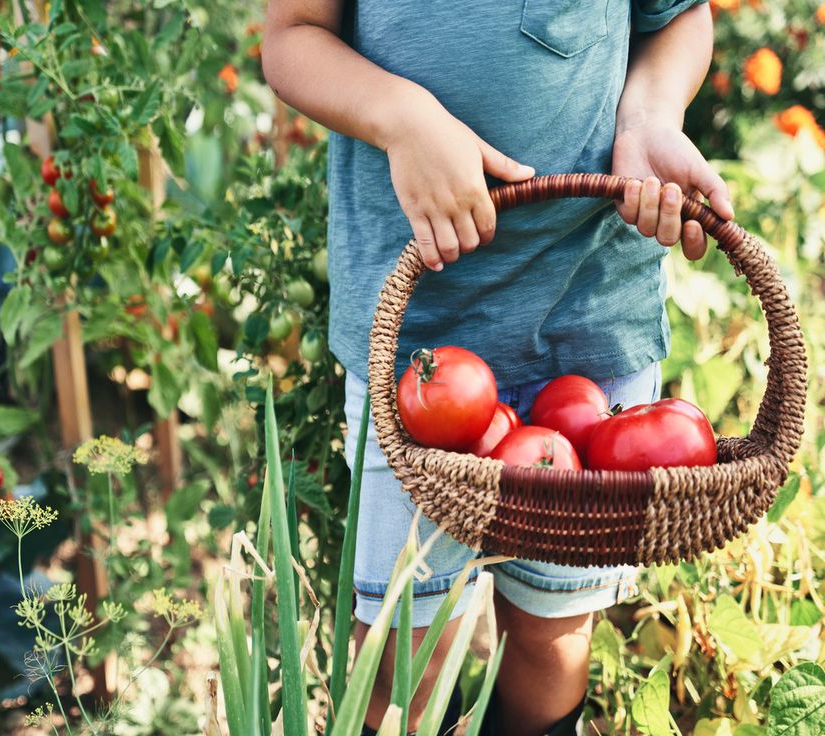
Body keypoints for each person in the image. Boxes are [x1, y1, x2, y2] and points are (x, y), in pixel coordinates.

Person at [262, 2, 731, 734]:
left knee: (553, 632)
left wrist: (649, 116)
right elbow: (292, 38)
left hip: (588, 317)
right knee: (403, 655)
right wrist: (400, 115)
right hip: (420, 342)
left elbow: (678, 17)